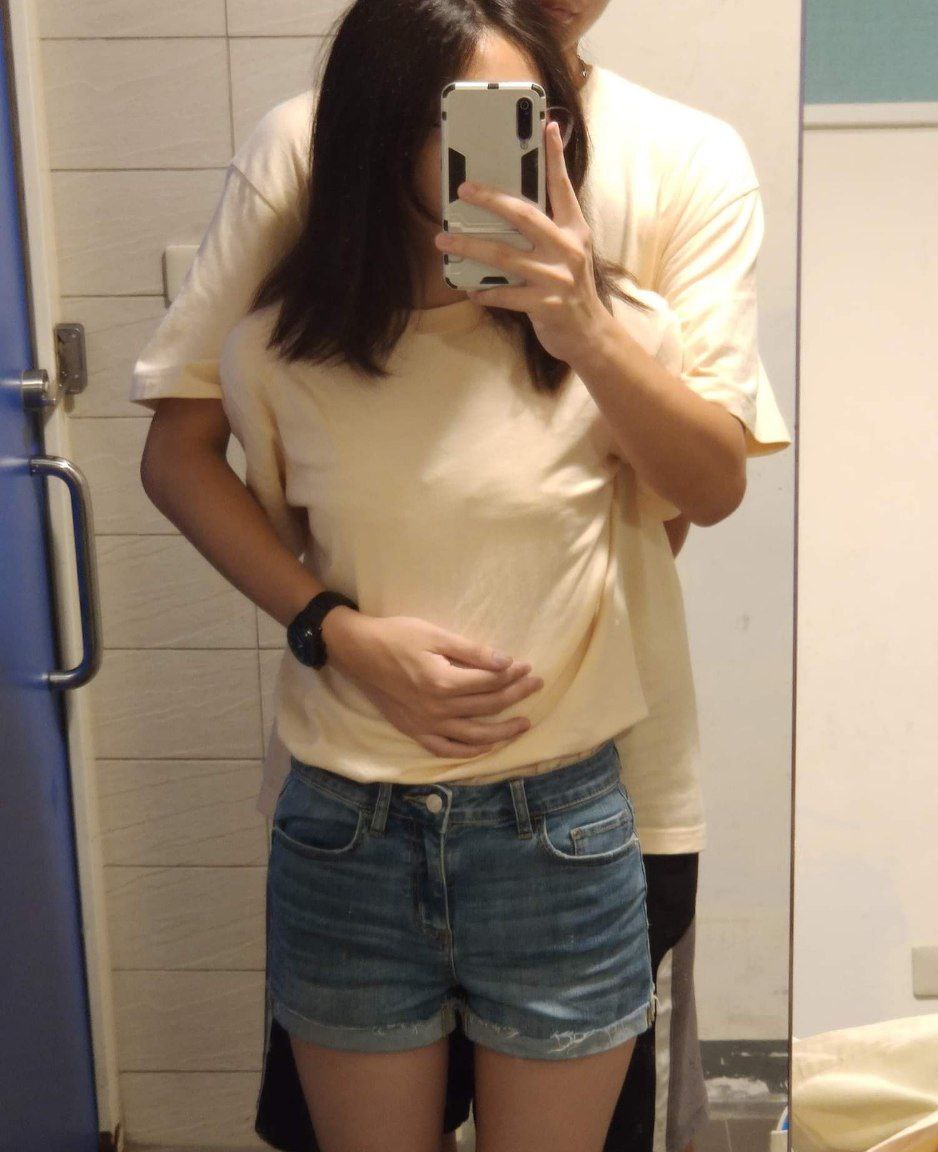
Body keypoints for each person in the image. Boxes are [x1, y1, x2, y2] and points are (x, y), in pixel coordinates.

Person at [132, 4, 791, 1152]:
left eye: (533, 121)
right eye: (472, 121)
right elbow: (218, 482)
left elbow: (702, 492)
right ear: (381, 132)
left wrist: (583, 326)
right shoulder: (277, 343)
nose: (510, 152)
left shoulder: (644, 276)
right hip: (349, 816)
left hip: (570, 812)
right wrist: (332, 626)